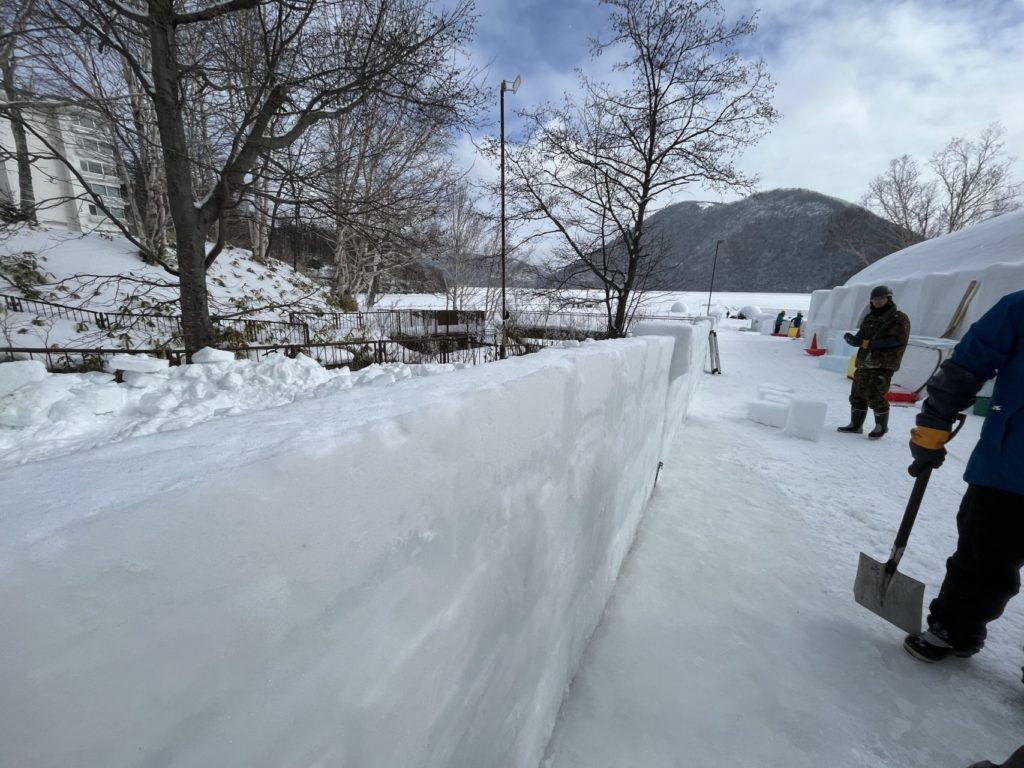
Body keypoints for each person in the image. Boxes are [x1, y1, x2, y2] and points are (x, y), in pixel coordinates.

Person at [901, 290, 1024, 676]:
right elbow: (968, 365)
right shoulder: (1019, 309)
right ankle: (955, 628)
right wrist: (933, 425)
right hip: (1011, 467)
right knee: (983, 555)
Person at [836, 285, 911, 438]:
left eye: (881, 298)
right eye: (875, 299)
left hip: (883, 363)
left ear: (888, 299)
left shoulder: (899, 318)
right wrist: (854, 340)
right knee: (857, 394)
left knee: (875, 395)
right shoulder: (870, 318)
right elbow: (862, 335)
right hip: (865, 362)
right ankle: (855, 425)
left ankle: (881, 426)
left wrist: (866, 343)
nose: (878, 301)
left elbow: (896, 340)